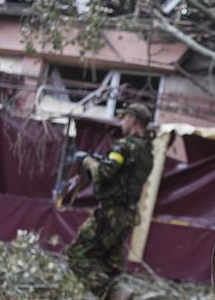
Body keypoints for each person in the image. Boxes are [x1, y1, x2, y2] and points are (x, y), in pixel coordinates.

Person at [66, 103, 154, 299]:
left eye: (124, 118)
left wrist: (90, 162)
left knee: (77, 255)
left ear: (133, 120)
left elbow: (105, 174)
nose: (122, 122)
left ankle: (118, 294)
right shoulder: (147, 152)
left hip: (111, 213)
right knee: (108, 265)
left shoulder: (124, 146)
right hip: (128, 215)